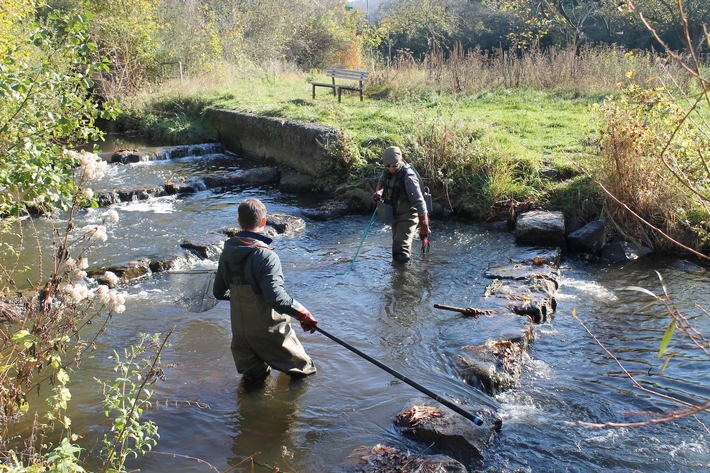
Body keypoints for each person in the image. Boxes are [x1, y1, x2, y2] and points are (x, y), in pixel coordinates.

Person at [213, 198, 317, 383]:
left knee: (253, 384)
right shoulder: (266, 256)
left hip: (240, 335)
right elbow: (276, 299)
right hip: (269, 331)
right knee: (304, 373)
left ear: (239, 222)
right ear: (263, 221)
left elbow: (218, 292)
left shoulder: (226, 253)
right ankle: (288, 412)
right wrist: (302, 312)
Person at [372, 146, 431, 263]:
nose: (391, 168)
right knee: (396, 245)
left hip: (408, 214)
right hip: (395, 212)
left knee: (400, 249)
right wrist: (379, 191)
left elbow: (420, 204)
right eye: (388, 166)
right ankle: (399, 272)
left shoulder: (408, 177)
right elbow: (382, 182)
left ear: (401, 159)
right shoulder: (387, 170)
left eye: (394, 165)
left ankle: (404, 277)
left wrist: (424, 228)